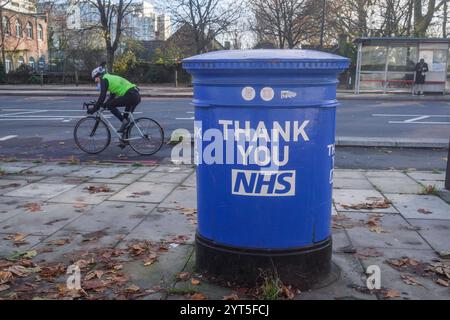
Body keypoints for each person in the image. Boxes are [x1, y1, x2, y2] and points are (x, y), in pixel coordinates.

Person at [89, 64, 141, 134]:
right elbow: (111, 97)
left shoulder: (104, 79)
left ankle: (124, 121)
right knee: (125, 122)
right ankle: (124, 142)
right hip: (135, 95)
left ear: (99, 76)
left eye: (95, 78)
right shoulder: (110, 78)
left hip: (131, 95)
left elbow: (102, 97)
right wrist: (104, 105)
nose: (95, 81)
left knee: (111, 106)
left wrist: (94, 109)